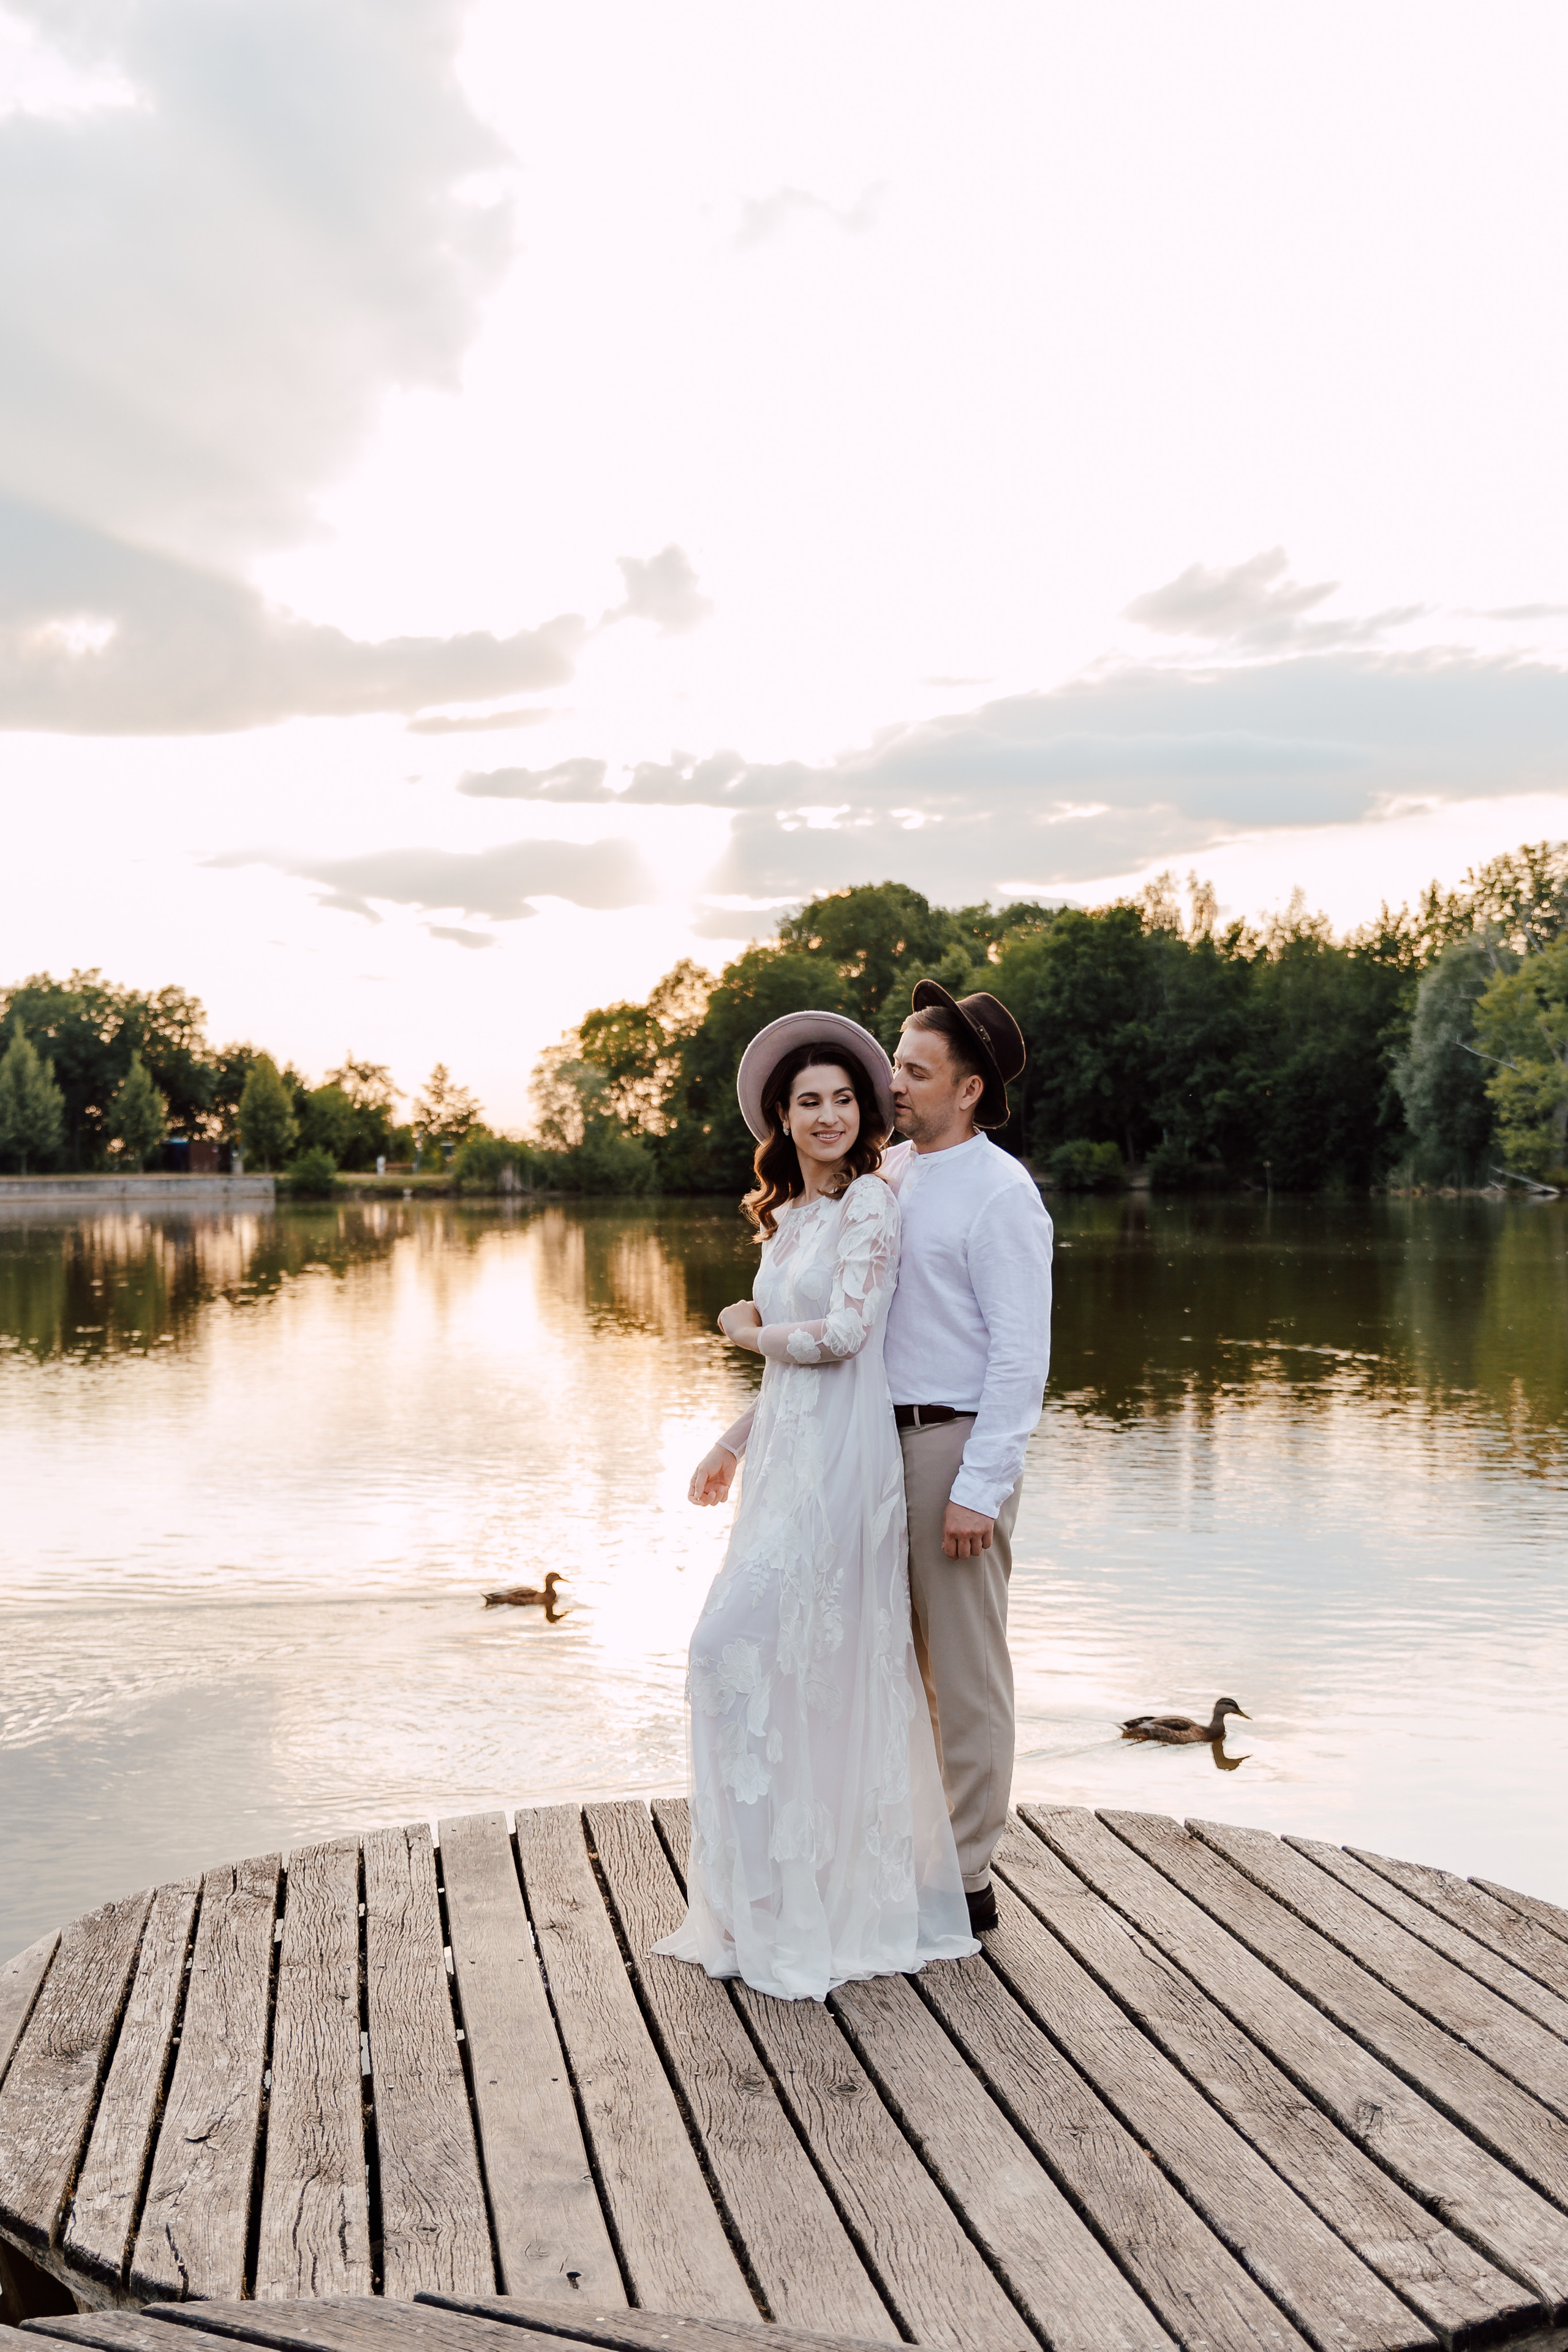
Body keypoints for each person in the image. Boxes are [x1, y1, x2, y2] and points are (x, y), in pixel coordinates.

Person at [654, 1010, 978, 2002]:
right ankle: (772, 1903)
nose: (830, 1115)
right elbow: (801, 1369)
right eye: (810, 1102)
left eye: (845, 1099)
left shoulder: (873, 1207)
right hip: (788, 1455)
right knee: (777, 1669)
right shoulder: (790, 1219)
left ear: (864, 1113)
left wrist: (742, 1330)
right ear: (781, 1120)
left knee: (738, 1648)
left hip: (843, 1467)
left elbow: (841, 1339)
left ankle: (828, 1904)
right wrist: (729, 1438)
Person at [883, 981, 1053, 1934]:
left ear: (971, 1089)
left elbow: (1022, 1358)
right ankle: (905, 1851)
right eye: (896, 1060)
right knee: (893, 1664)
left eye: (915, 1068)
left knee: (965, 1671)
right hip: (873, 1443)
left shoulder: (1001, 1191)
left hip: (953, 1449)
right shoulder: (892, 1171)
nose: (893, 1081)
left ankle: (967, 1876)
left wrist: (979, 1491)